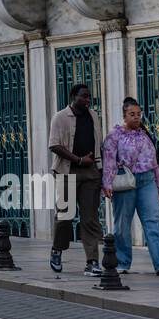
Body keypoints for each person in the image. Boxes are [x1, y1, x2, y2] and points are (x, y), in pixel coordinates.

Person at [103, 98, 159, 275]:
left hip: (147, 182)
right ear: (124, 116)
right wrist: (107, 183)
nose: (136, 117)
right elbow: (109, 161)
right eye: (132, 114)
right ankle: (122, 263)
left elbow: (155, 163)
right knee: (122, 224)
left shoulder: (145, 135)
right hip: (125, 182)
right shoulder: (115, 135)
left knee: (153, 220)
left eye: (138, 114)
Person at [48, 83, 104, 276]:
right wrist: (79, 159)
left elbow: (98, 144)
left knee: (90, 219)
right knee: (65, 216)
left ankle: (92, 261)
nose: (88, 100)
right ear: (73, 97)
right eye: (84, 97)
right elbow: (54, 145)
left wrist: (100, 170)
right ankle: (57, 250)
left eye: (89, 97)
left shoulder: (93, 116)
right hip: (68, 171)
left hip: (91, 174)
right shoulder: (60, 117)